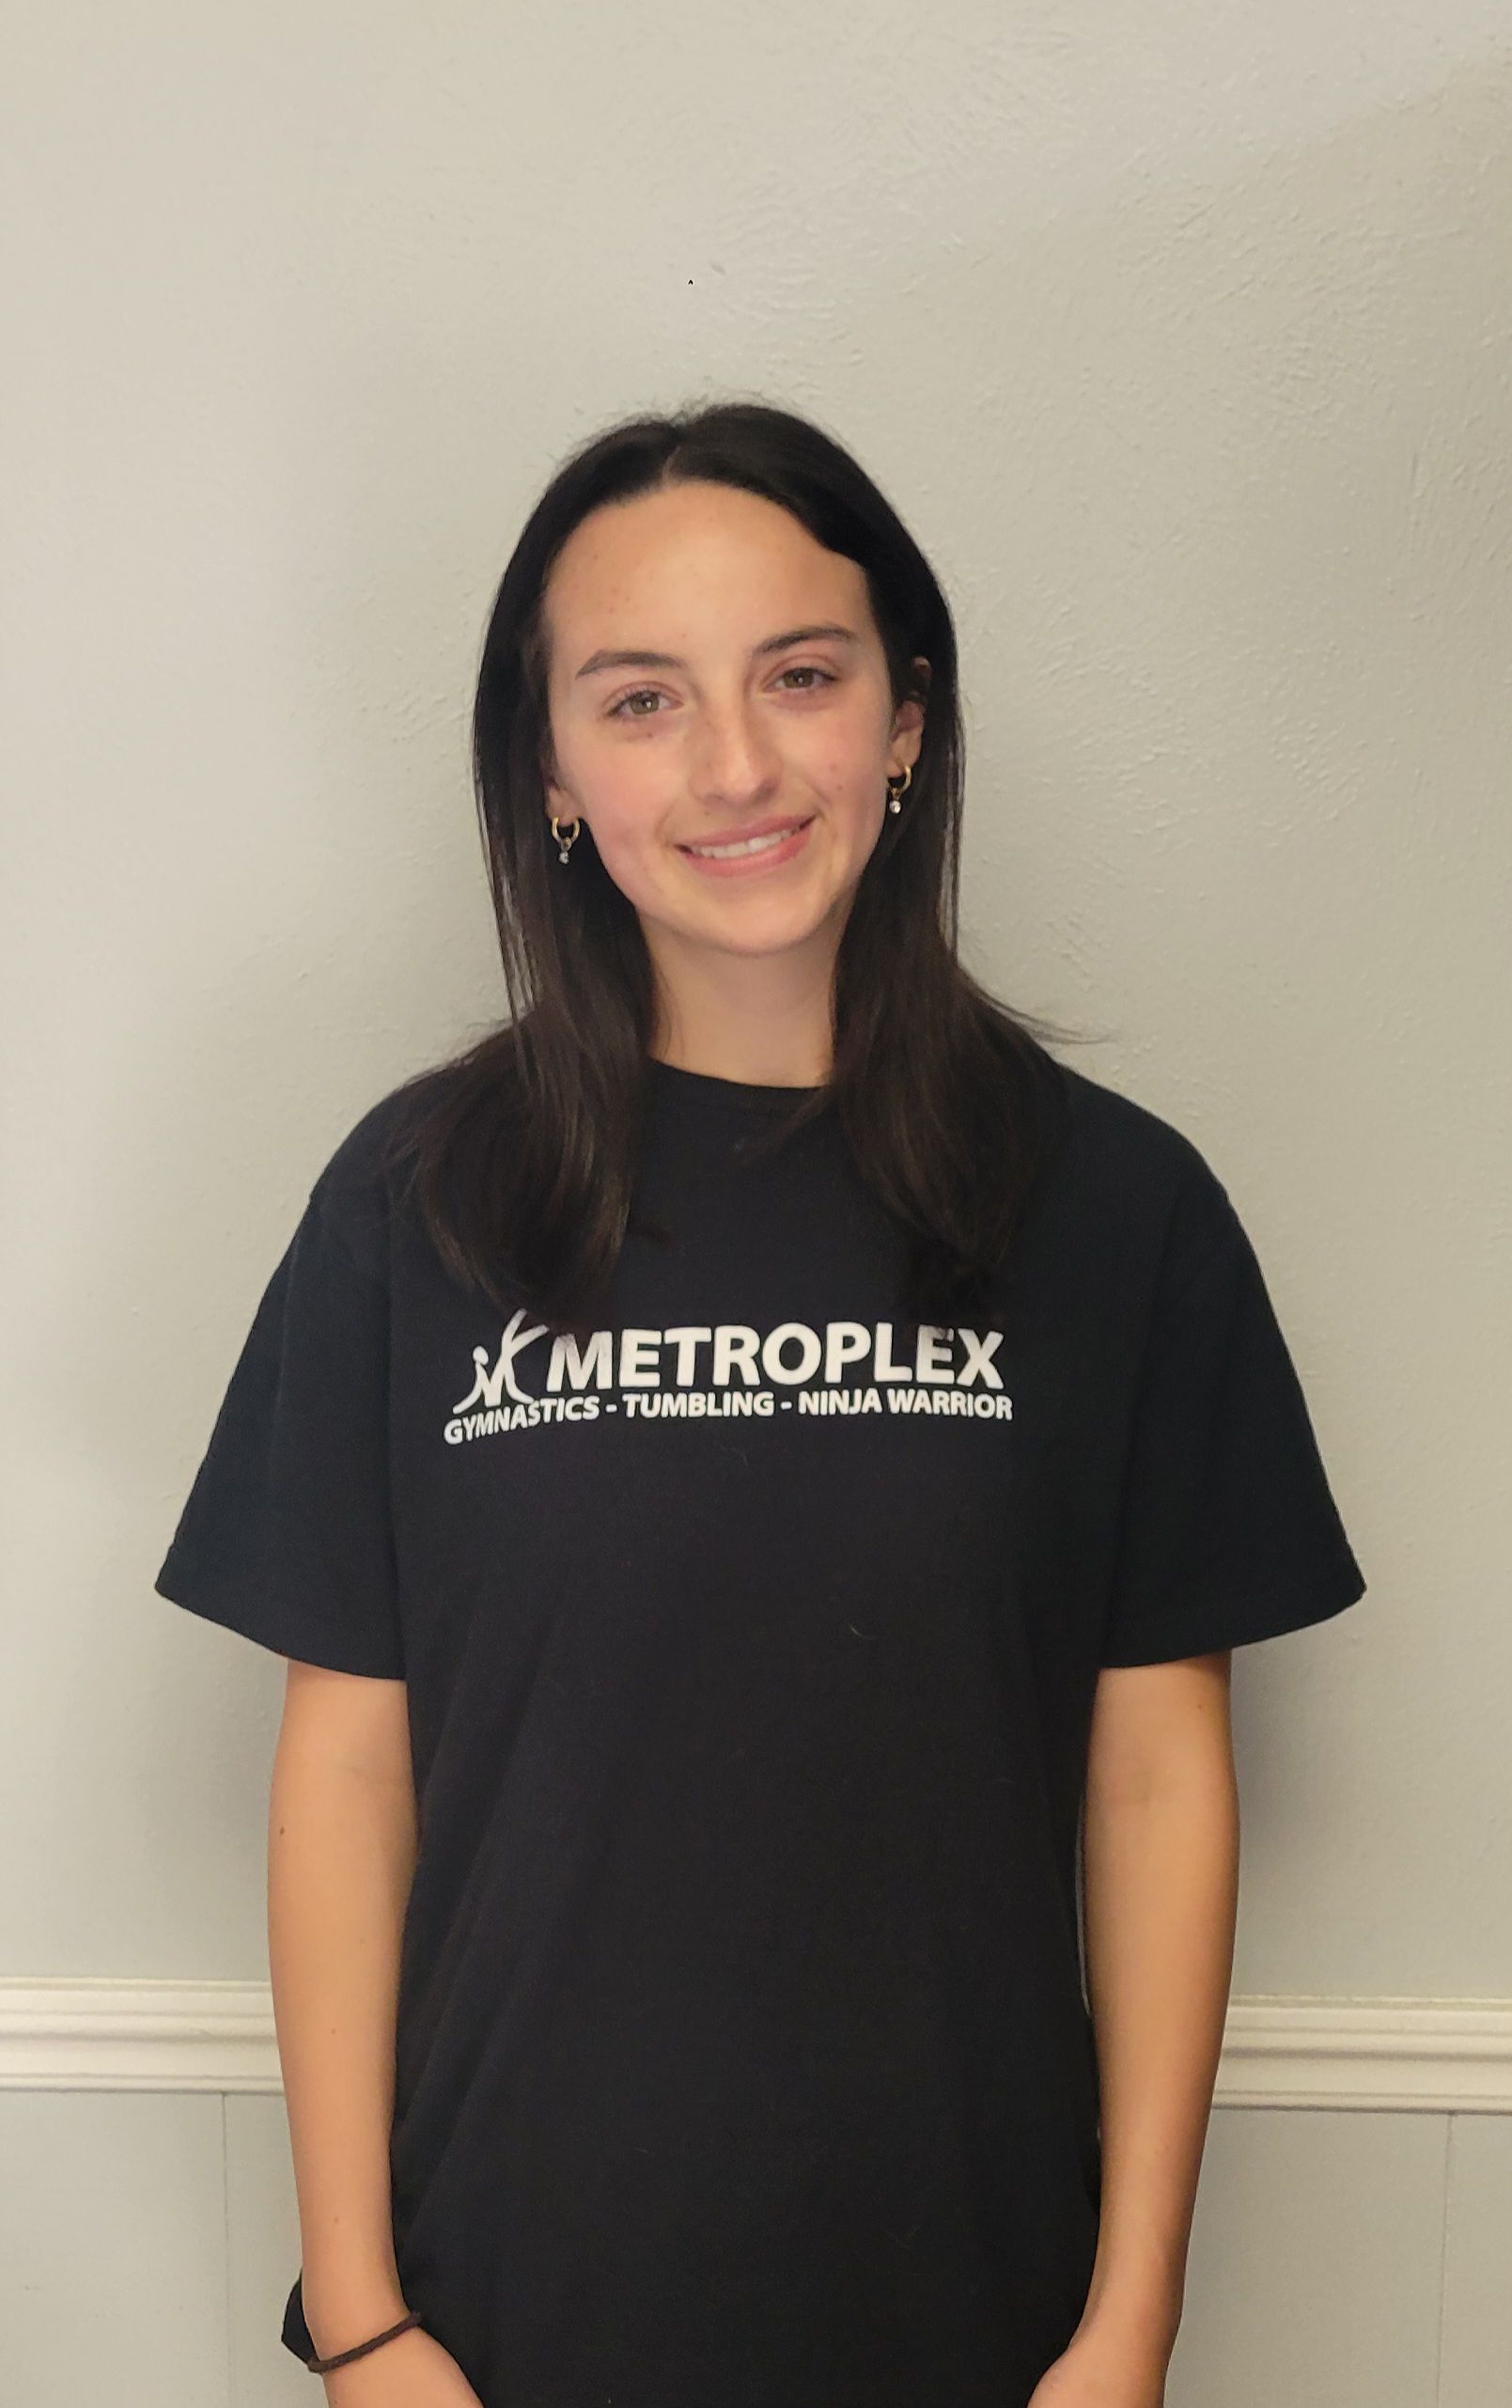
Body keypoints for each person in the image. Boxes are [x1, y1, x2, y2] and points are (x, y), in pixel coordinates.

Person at [154, 399, 1368, 2408]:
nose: (734, 764)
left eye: (800, 676)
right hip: (502, 2323)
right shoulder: (413, 1207)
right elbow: (346, 1778)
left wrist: (1125, 2326)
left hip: (976, 2319)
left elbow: (1156, 1778)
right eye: (639, 700)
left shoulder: (1113, 1209)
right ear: (547, 771)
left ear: (905, 719)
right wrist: (362, 2319)